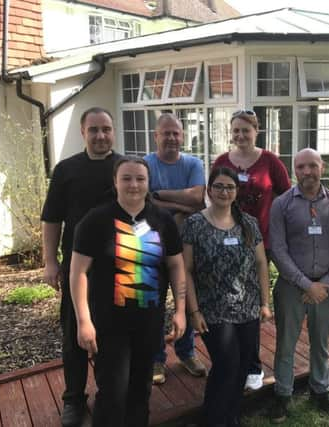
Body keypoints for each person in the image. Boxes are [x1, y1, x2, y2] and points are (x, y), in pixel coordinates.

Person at [70, 156, 186, 426]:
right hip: (110, 325)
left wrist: (180, 310)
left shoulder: (162, 220)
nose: (133, 184)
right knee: (112, 392)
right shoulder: (96, 221)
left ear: (148, 183)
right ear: (115, 182)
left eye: (140, 178)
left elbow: (176, 265)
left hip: (149, 322)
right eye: (126, 178)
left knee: (140, 391)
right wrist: (83, 321)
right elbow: (77, 273)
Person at [41, 107, 123, 426]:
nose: (101, 135)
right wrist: (50, 262)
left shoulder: (125, 167)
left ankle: (110, 393)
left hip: (120, 269)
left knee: (114, 336)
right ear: (82, 133)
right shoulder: (66, 170)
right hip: (79, 271)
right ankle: (74, 400)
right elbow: (51, 219)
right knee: (76, 334)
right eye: (94, 130)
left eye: (106, 129)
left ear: (113, 131)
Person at [183, 167, 272, 427]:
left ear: (236, 191)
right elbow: (186, 270)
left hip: (247, 308)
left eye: (229, 187)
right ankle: (213, 419)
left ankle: (230, 417)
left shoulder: (248, 223)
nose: (224, 191)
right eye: (219, 186)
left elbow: (261, 263)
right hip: (212, 309)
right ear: (209, 190)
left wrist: (265, 303)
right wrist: (194, 311)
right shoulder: (194, 224)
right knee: (226, 364)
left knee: (243, 365)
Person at [268, 148, 329, 423]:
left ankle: (320, 390)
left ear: (322, 167)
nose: (306, 172)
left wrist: (326, 283)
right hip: (291, 288)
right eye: (301, 167)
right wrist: (305, 284)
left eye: (312, 166)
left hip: (325, 288)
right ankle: (282, 394)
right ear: (294, 170)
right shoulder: (282, 204)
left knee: (321, 342)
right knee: (286, 343)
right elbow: (278, 249)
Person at [213, 108, 290, 390]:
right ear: (230, 133)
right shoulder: (222, 161)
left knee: (253, 305)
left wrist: (280, 228)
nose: (240, 135)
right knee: (229, 302)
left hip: (261, 243)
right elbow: (212, 197)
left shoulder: (270, 161)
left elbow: (286, 195)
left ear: (256, 131)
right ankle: (229, 360)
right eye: (236, 130)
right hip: (226, 242)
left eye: (246, 130)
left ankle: (253, 365)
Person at [144, 113, 207, 384]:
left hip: (186, 248)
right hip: (152, 248)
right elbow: (142, 201)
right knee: (154, 304)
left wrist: (159, 196)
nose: (171, 138)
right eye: (165, 133)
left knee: (188, 299)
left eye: (176, 133)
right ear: (156, 136)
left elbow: (198, 198)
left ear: (182, 136)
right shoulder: (145, 163)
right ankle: (156, 359)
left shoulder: (193, 163)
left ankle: (187, 353)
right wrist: (182, 206)